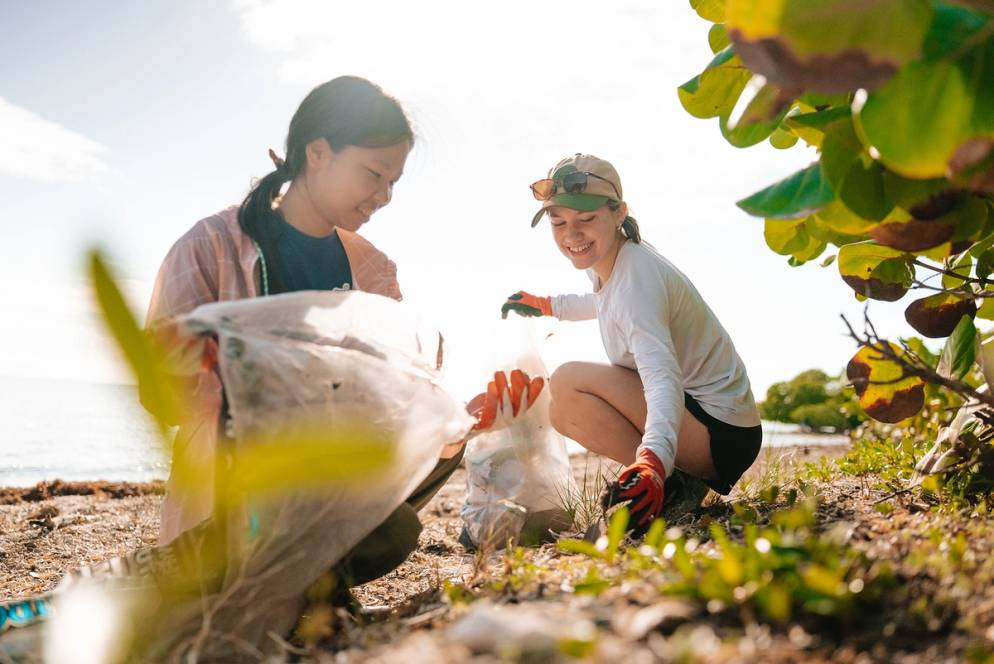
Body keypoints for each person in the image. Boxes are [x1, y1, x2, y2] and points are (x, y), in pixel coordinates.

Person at [501, 154, 762, 535]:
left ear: (620, 212)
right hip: (711, 425)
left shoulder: (638, 277)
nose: (571, 234)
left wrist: (652, 457)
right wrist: (548, 305)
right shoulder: (618, 259)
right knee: (561, 410)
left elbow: (662, 377)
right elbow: (606, 302)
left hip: (720, 433)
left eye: (586, 219)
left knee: (569, 381)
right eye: (559, 222)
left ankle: (665, 480)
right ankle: (676, 483)